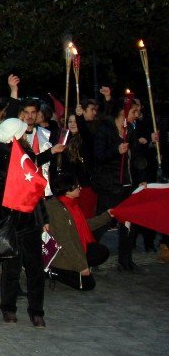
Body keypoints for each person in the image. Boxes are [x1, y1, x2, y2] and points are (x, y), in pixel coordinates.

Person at [0, 118, 61, 328]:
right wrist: (5, 212)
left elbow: (36, 189)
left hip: (30, 222)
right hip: (11, 223)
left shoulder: (24, 155)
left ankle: (37, 311)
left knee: (36, 268)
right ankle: (8, 308)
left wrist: (44, 218)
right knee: (11, 268)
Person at [92, 95, 149, 270]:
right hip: (109, 185)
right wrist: (115, 150)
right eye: (134, 111)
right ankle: (89, 256)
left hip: (128, 184)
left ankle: (125, 259)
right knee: (102, 223)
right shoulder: (105, 129)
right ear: (122, 112)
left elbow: (135, 158)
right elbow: (99, 155)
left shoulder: (130, 130)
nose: (136, 115)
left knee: (128, 223)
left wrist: (141, 179)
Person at [44, 173, 112, 291]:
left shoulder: (71, 204)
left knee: (101, 252)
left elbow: (84, 225)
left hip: (75, 246)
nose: (80, 188)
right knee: (88, 285)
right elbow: (65, 242)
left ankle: (75, 268)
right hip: (60, 254)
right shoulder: (58, 210)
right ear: (67, 191)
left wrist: (107, 216)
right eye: (76, 186)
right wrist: (81, 266)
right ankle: (53, 271)